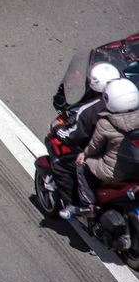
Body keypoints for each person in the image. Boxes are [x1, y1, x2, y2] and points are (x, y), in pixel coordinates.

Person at [62, 78, 139, 219]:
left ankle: (88, 205)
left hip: (113, 172)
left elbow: (94, 147)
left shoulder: (106, 122)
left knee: (82, 163)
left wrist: (84, 154)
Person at [50, 63, 120, 211]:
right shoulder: (132, 105)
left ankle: (77, 205)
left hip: (108, 162)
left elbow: (71, 137)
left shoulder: (90, 111)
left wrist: (57, 127)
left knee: (60, 163)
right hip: (127, 156)